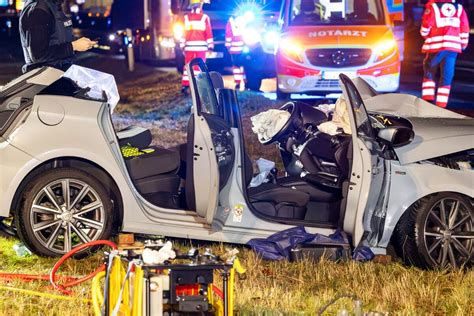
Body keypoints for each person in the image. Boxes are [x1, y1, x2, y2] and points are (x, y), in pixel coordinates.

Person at [19, 0, 96, 73]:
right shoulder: (39, 10)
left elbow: (56, 39)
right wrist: (73, 46)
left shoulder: (52, 6)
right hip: (45, 79)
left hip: (57, 74)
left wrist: (78, 44)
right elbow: (38, 55)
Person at [420, 0, 469, 107]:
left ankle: (428, 100)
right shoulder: (459, 8)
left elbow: (426, 26)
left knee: (430, 70)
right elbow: (464, 28)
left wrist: (425, 34)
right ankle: (442, 104)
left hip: (436, 47)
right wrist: (463, 43)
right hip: (453, 47)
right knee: (447, 74)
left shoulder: (433, 7)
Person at [180, 0, 213, 95]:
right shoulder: (205, 17)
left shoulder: (186, 18)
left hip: (189, 47)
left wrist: (182, 46)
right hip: (201, 48)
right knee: (200, 66)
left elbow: (183, 34)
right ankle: (199, 86)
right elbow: (208, 33)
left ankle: (185, 85)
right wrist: (210, 46)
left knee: (188, 67)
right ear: (200, 5)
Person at [225, 15, 246, 89]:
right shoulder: (245, 19)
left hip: (234, 49)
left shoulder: (231, 22)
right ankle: (245, 81)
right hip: (244, 48)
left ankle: (238, 82)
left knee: (236, 66)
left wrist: (228, 46)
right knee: (244, 65)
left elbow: (228, 34)